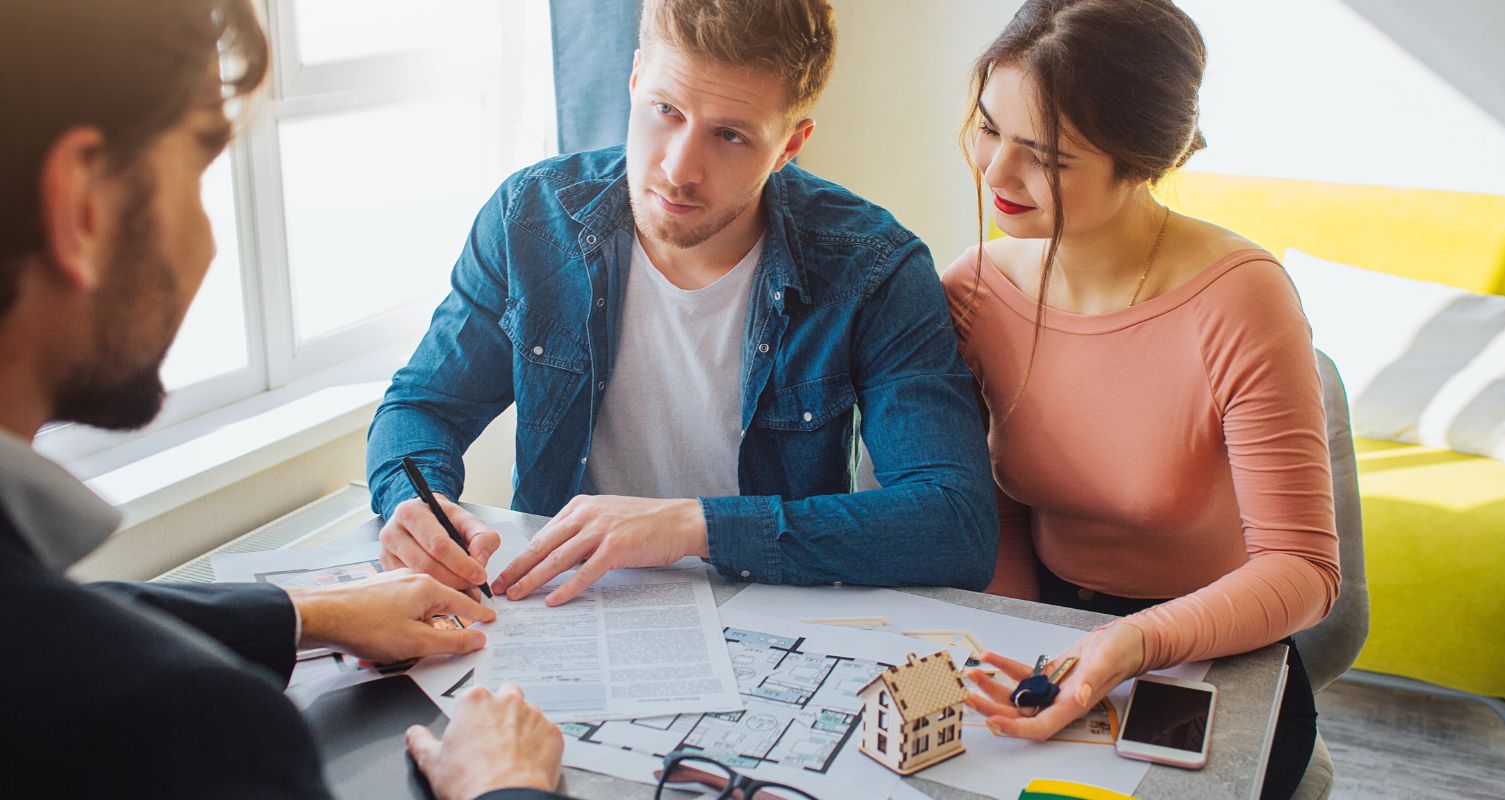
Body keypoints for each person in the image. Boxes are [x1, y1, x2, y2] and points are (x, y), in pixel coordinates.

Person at [0, 2, 568, 798]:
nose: (206, 242)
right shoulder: (189, 727)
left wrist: (306, 613)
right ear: (83, 208)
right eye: (197, 176)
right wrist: (503, 789)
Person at [369, 0, 997, 606]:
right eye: (665, 109)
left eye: (729, 135)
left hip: (773, 614)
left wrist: (693, 526)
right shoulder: (531, 219)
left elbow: (955, 521)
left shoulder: (873, 267)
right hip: (563, 606)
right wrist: (413, 503)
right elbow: (423, 406)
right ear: (636, 75)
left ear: (790, 145)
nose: (678, 168)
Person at [940, 2, 1340, 797]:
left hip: (1216, 645)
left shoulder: (1240, 299)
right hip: (1055, 628)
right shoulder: (974, 292)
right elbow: (1002, 509)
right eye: (989, 128)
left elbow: (1302, 569)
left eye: (1046, 157)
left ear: (1140, 161)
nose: (995, 174)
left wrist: (1132, 644)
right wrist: (1031, 640)